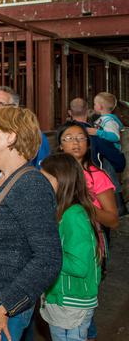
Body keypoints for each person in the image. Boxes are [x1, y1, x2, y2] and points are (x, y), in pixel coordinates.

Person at [0, 107, 62, 341]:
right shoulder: (2, 178)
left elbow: (49, 258)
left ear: (11, 136)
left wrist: (4, 305)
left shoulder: (30, 185)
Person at [57, 121, 120, 341]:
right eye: (69, 138)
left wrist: (84, 205)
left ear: (88, 143)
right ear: (60, 146)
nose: (75, 142)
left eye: (81, 137)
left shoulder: (97, 176)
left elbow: (113, 220)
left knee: (82, 300)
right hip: (59, 245)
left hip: (89, 246)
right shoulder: (51, 173)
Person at [39, 153, 101, 341]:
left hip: (72, 302)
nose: (40, 185)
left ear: (63, 180)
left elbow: (79, 266)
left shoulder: (73, 216)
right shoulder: (63, 211)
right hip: (64, 299)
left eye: (46, 179)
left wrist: (46, 255)